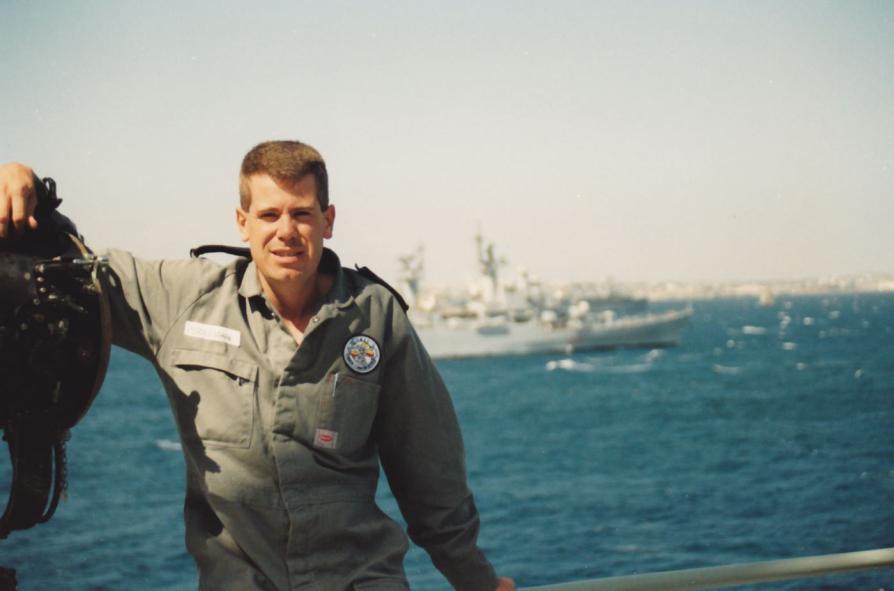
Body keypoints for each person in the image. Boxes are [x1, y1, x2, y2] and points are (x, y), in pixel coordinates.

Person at [0, 142, 515, 591]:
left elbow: (432, 478)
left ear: (328, 221)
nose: (285, 232)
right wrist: (28, 191)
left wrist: (477, 582)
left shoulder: (375, 316)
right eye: (269, 215)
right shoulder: (186, 300)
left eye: (302, 214)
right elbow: (79, 271)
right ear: (242, 222)